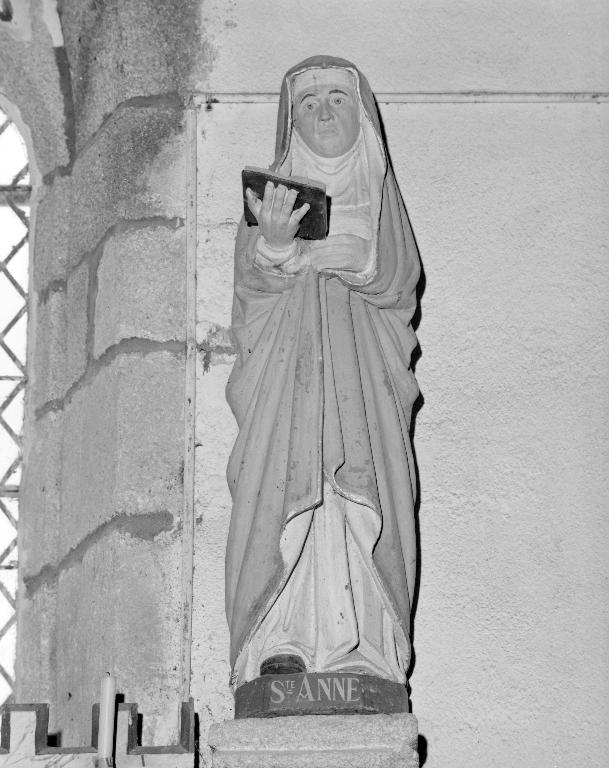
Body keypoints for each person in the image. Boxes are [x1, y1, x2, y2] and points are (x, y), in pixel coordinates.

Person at [226, 56, 421, 690]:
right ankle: (281, 638)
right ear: (292, 123)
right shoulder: (271, 205)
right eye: (308, 104)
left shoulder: (379, 198)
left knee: (356, 498)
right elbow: (250, 302)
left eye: (338, 98)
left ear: (360, 114)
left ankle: (364, 645)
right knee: (289, 489)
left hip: (363, 388)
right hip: (289, 394)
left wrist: (360, 265)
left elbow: (400, 286)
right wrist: (276, 248)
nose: (324, 112)